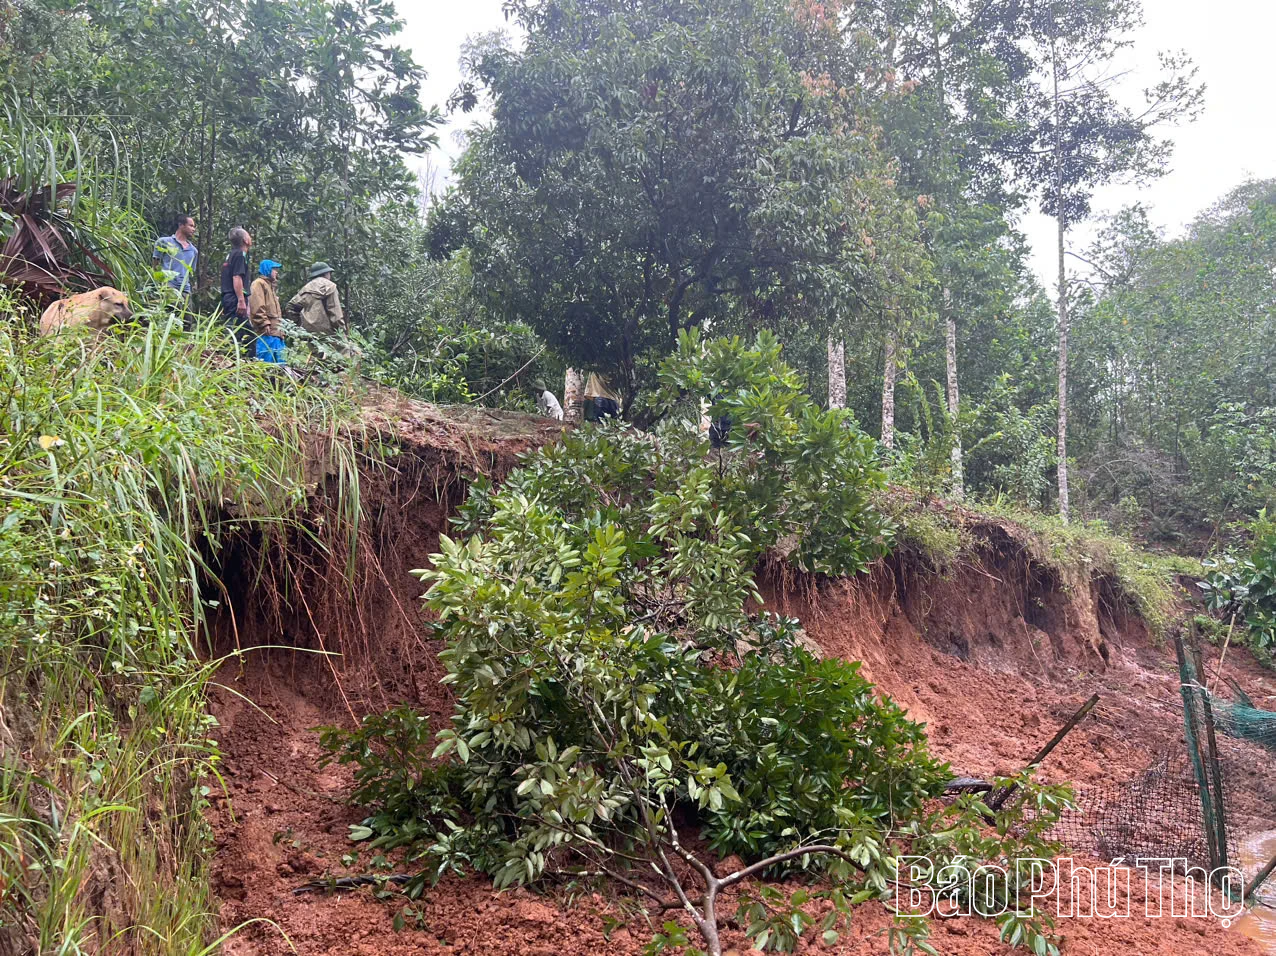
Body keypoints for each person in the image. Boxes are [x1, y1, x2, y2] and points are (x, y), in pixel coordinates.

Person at [287, 261, 346, 338]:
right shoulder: (330, 287)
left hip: (310, 334)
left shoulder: (306, 289)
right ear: (326, 274)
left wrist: (299, 325)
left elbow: (291, 307)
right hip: (330, 334)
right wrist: (342, 332)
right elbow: (335, 315)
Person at [220, 227, 254, 351]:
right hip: (234, 298)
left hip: (229, 297)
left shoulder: (231, 254)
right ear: (245, 240)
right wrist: (241, 300)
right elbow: (237, 277)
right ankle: (233, 357)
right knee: (243, 333)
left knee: (238, 329)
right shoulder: (240, 255)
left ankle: (232, 355)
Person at [152, 214, 199, 301]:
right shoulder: (163, 242)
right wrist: (160, 283)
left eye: (194, 227)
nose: (193, 229)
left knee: (187, 314)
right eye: (191, 226)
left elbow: (191, 272)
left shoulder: (194, 251)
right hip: (168, 287)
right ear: (181, 225)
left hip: (185, 290)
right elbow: (155, 265)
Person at [249, 259, 285, 364]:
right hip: (267, 331)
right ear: (267, 269)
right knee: (266, 362)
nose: (276, 272)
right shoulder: (258, 284)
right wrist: (263, 323)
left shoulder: (270, 286)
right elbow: (257, 305)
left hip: (276, 331)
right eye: (274, 269)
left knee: (280, 364)